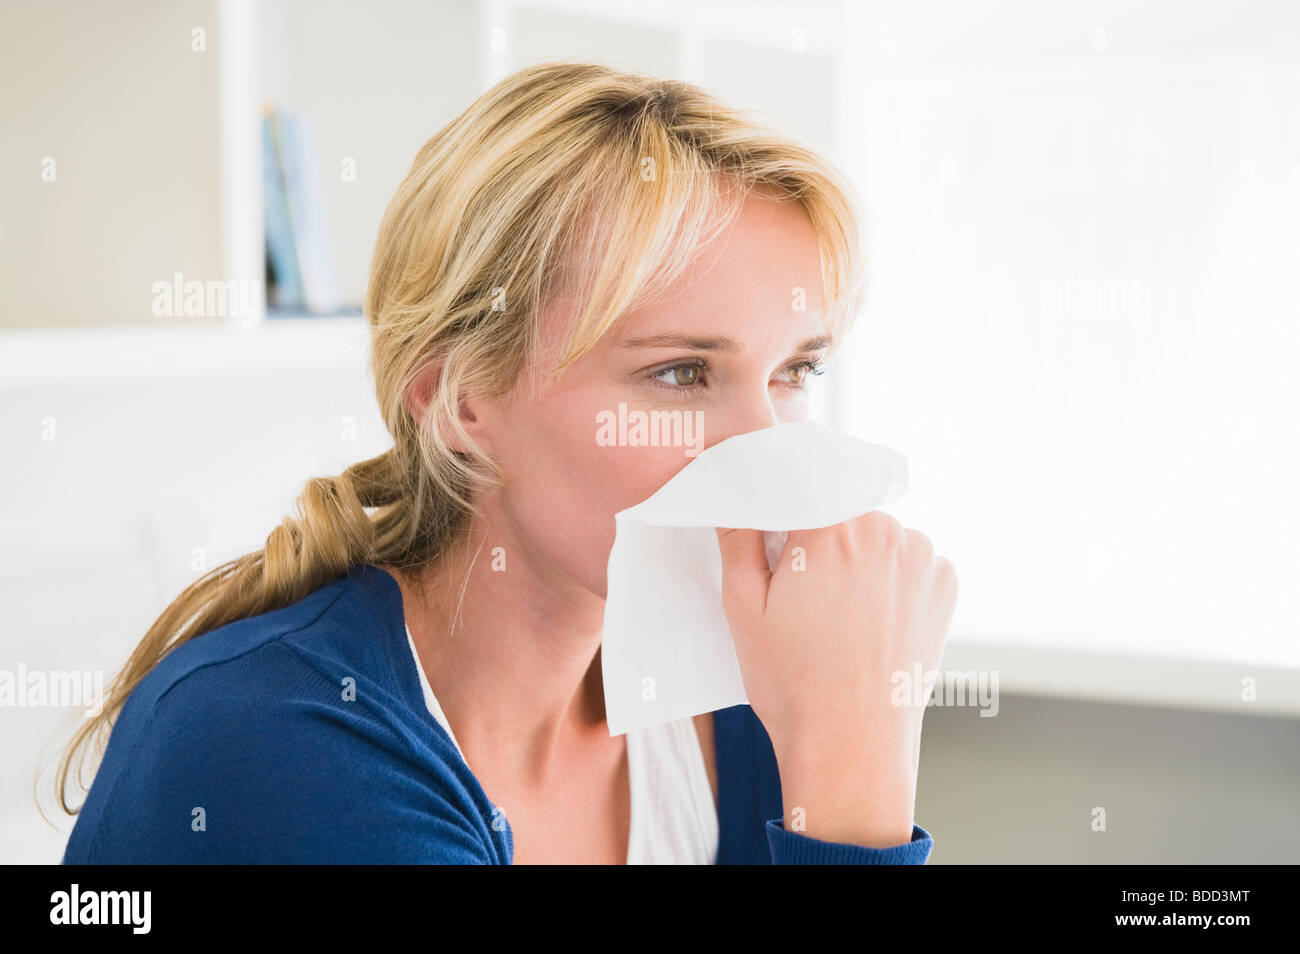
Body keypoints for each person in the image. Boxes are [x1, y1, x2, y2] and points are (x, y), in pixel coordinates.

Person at [55, 61, 957, 864]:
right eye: (681, 373)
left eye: (795, 369)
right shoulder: (268, 744)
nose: (767, 450)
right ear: (461, 401)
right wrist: (853, 780)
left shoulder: (745, 688)